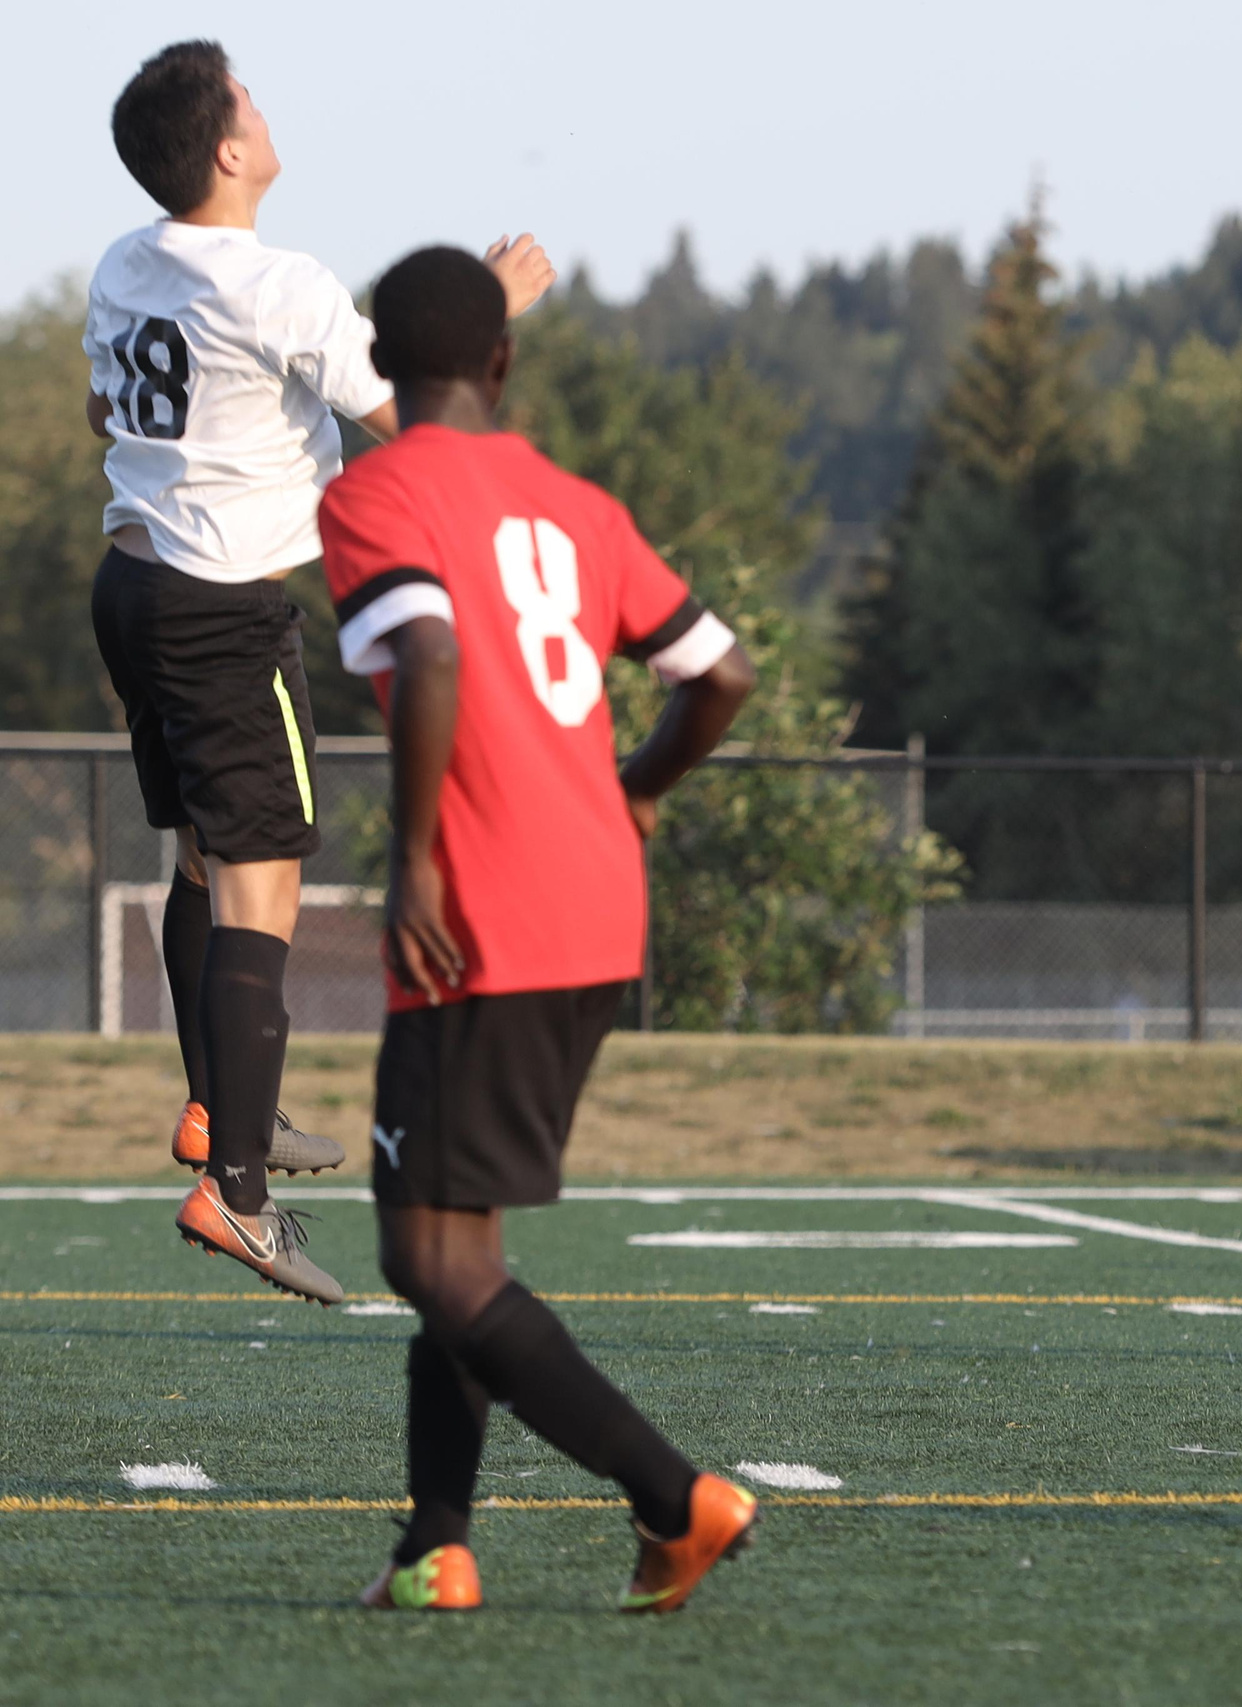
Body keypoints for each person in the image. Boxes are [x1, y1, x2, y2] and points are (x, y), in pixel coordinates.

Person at [317, 247, 758, 1613]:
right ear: (503, 360)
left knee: (425, 1257)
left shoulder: (373, 490)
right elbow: (721, 673)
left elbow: (432, 651)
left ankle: (675, 1496)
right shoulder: (578, 504)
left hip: (482, 912)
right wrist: (635, 789)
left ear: (377, 365)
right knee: (464, 1244)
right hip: (596, 908)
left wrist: (415, 861)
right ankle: (435, 1545)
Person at [86, 40, 551, 1303]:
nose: (266, 109)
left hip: (130, 586)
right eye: (250, 98)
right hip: (221, 611)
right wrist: (491, 305)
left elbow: (108, 415)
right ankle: (238, 1195)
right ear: (229, 150)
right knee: (265, 887)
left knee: (202, 858)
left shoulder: (123, 264)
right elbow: (419, 412)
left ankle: (219, 1109)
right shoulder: (278, 282)